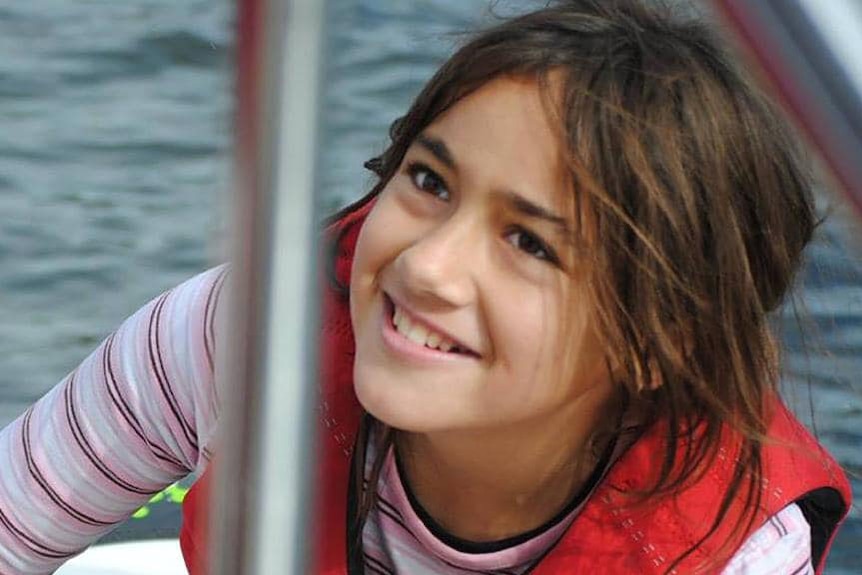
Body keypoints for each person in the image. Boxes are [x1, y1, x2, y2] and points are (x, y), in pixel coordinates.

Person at [0, 1, 852, 573]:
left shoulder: (735, 545)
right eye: (430, 183)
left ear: (661, 339)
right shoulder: (251, 333)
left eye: (530, 243)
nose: (428, 265)